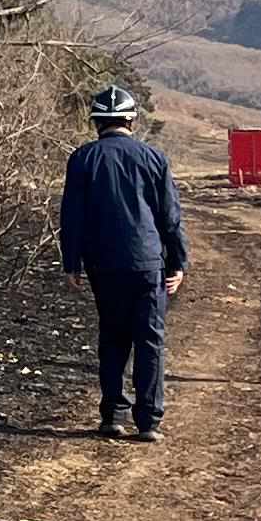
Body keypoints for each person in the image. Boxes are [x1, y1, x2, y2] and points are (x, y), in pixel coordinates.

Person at [58, 83, 186, 440]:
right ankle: (148, 422)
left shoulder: (82, 159)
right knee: (150, 340)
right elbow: (170, 218)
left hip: (103, 264)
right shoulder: (154, 158)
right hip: (147, 263)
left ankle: (112, 416)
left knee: (113, 338)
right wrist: (178, 262)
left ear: (97, 122)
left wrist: (72, 263)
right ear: (131, 120)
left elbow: (72, 217)